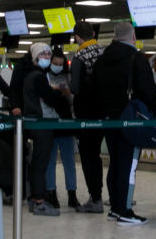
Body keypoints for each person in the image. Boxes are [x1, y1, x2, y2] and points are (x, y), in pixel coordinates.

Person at [92, 22, 156, 225]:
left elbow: (93, 88)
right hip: (130, 118)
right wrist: (152, 111)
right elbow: (148, 90)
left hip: (108, 118)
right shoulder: (136, 58)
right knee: (128, 165)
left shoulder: (102, 60)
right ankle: (124, 210)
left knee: (115, 162)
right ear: (133, 36)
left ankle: (115, 206)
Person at [22, 42, 68, 216]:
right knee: (40, 163)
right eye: (43, 55)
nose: (47, 58)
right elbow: (49, 98)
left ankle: (35, 198)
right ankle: (39, 201)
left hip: (35, 121)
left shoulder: (29, 76)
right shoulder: (38, 77)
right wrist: (59, 94)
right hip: (43, 122)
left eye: (48, 55)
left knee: (37, 162)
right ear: (35, 57)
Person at [69, 21, 105, 213]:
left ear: (77, 37)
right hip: (104, 112)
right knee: (97, 155)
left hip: (85, 113)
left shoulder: (79, 57)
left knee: (88, 155)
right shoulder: (104, 51)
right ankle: (102, 195)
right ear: (93, 33)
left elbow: (75, 87)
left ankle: (95, 197)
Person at [44, 50, 78, 208]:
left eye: (60, 64)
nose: (57, 66)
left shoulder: (67, 76)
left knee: (69, 160)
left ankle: (72, 193)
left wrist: (66, 93)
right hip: (50, 121)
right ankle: (51, 192)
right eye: (55, 64)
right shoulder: (44, 76)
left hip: (66, 122)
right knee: (50, 160)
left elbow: (72, 99)